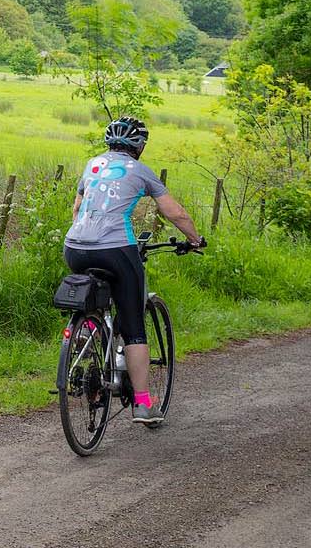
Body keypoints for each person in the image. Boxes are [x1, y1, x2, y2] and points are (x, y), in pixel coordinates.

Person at [64, 115, 205, 424]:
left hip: (74, 247)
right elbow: (175, 213)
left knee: (93, 295)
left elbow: (77, 209)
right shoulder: (140, 171)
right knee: (133, 327)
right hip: (116, 249)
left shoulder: (92, 164)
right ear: (139, 146)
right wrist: (194, 240)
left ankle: (88, 328)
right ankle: (142, 403)